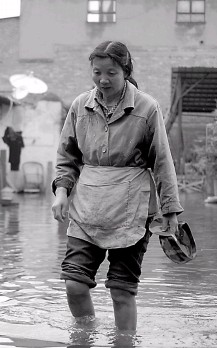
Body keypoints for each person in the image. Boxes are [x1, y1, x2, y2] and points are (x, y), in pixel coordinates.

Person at [51, 41, 183, 331]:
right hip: (88, 206)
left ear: (126, 70)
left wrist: (171, 210)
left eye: (111, 72)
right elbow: (67, 156)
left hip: (132, 206)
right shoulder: (80, 106)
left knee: (121, 291)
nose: (103, 79)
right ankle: (85, 336)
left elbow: (162, 159)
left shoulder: (147, 107)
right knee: (74, 283)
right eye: (97, 72)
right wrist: (62, 191)